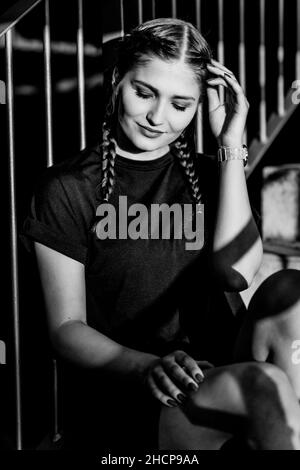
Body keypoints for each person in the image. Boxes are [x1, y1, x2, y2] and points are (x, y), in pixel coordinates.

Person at [20, 18, 300, 450]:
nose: (157, 117)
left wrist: (230, 146)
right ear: (117, 80)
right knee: (262, 386)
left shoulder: (212, 176)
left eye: (180, 104)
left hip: (224, 366)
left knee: (290, 290)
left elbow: (239, 273)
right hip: (147, 388)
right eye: (144, 93)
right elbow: (65, 327)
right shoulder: (67, 188)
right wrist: (146, 366)